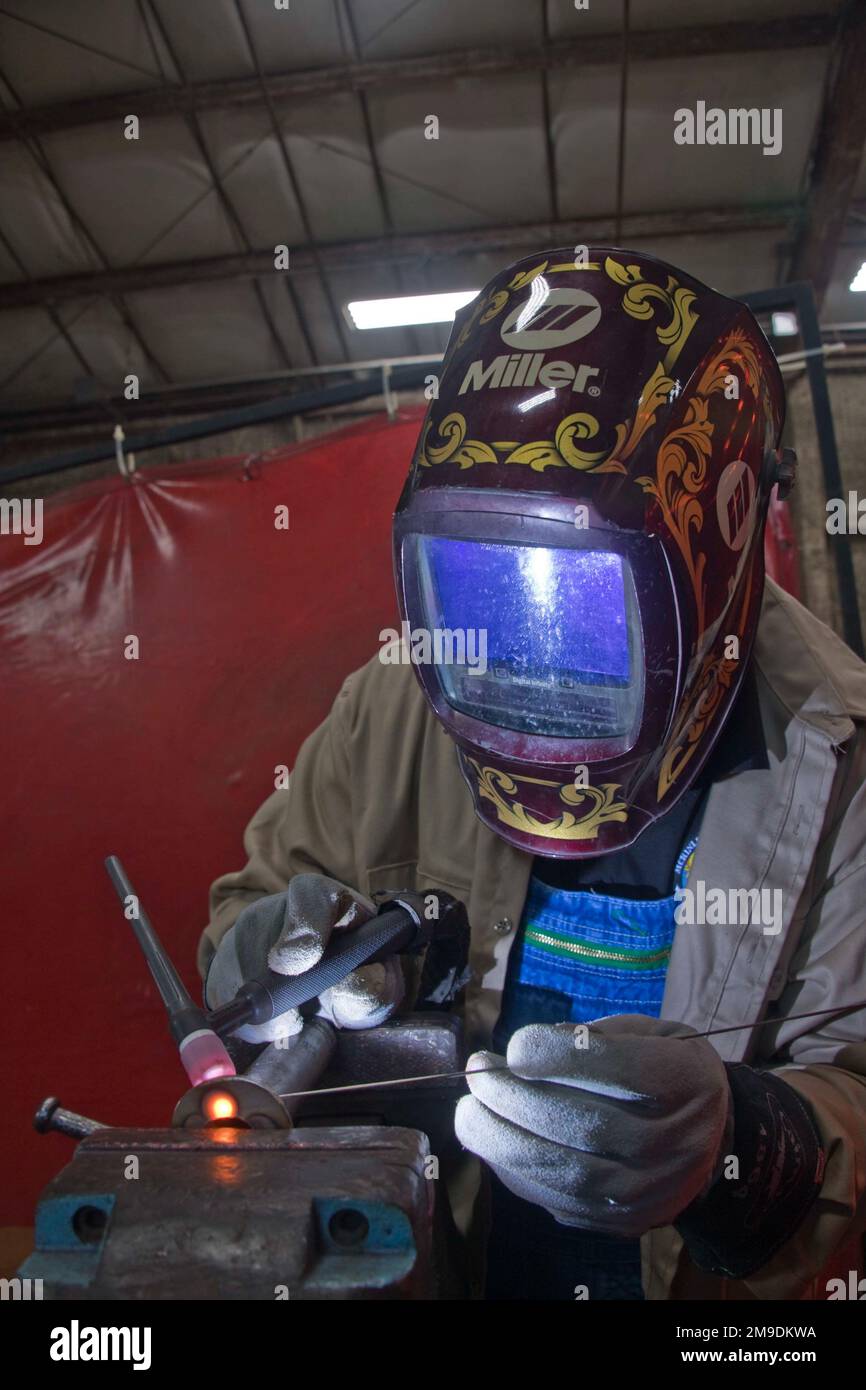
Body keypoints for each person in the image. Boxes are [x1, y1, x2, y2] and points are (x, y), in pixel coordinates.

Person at [201, 247, 866, 1300]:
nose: (527, 662)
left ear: (719, 538)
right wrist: (258, 958)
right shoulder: (396, 701)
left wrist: (746, 1145)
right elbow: (253, 911)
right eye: (478, 590)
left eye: (584, 605)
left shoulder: (843, 764)